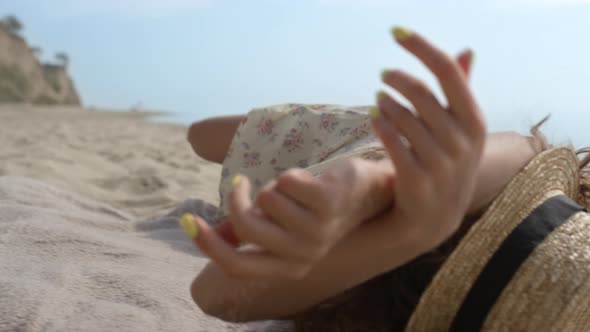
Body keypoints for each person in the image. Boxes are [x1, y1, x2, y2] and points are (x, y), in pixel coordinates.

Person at [180, 27, 590, 331]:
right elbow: (522, 149)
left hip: (350, 211)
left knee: (215, 148)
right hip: (384, 155)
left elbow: (214, 293)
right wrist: (374, 182)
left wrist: (409, 232)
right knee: (202, 136)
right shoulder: (505, 178)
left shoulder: (370, 295)